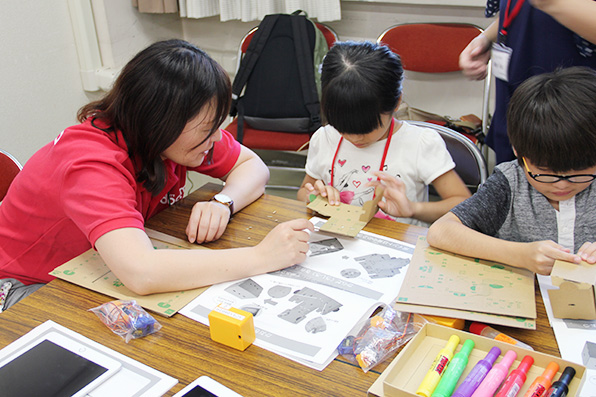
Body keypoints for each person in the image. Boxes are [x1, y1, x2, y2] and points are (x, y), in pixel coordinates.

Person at [0, 39, 313, 312]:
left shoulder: (170, 140)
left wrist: (223, 201)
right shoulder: (91, 163)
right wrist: (262, 257)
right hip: (24, 287)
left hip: (95, 265)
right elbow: (143, 272)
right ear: (158, 122)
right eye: (208, 130)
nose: (218, 139)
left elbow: (253, 167)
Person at [427, 67, 596, 275]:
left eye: (579, 171)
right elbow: (440, 232)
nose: (562, 183)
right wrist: (521, 254)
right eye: (545, 172)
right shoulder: (510, 183)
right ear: (518, 152)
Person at [296, 41, 470, 227]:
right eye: (343, 128)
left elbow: (463, 203)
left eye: (367, 129)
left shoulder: (420, 144)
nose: (355, 138)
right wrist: (313, 197)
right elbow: (302, 193)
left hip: (399, 246)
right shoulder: (325, 138)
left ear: (396, 103)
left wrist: (413, 209)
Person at [459, 0, 596, 164]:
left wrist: (551, 3)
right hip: (518, 90)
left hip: (572, 108)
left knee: (564, 174)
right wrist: (486, 38)